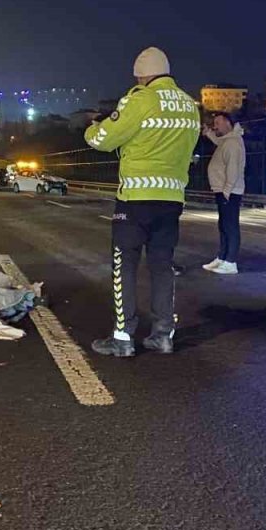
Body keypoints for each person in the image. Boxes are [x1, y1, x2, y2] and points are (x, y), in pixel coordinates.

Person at [85, 46, 201, 356]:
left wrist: (94, 126)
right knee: (162, 267)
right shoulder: (190, 106)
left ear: (141, 75)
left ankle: (123, 338)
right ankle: (163, 334)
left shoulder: (140, 99)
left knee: (125, 265)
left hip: (136, 199)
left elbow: (102, 140)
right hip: (172, 199)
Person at [202, 111, 246, 275]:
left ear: (228, 122)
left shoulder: (233, 142)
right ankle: (222, 257)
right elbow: (219, 141)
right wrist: (209, 134)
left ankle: (231, 261)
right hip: (223, 190)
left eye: (218, 123)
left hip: (230, 192)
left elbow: (233, 169)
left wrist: (227, 190)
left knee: (230, 226)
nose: (216, 126)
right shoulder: (227, 140)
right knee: (223, 225)